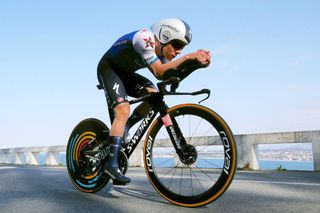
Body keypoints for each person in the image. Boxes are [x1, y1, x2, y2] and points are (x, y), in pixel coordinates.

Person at [97, 18, 211, 185]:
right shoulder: (145, 38)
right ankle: (111, 165)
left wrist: (196, 64)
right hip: (109, 69)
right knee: (122, 110)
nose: (179, 51)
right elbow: (159, 72)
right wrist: (189, 57)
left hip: (125, 74)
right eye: (177, 45)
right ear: (164, 36)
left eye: (183, 48)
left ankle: (125, 127)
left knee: (153, 94)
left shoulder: (161, 52)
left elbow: (171, 76)